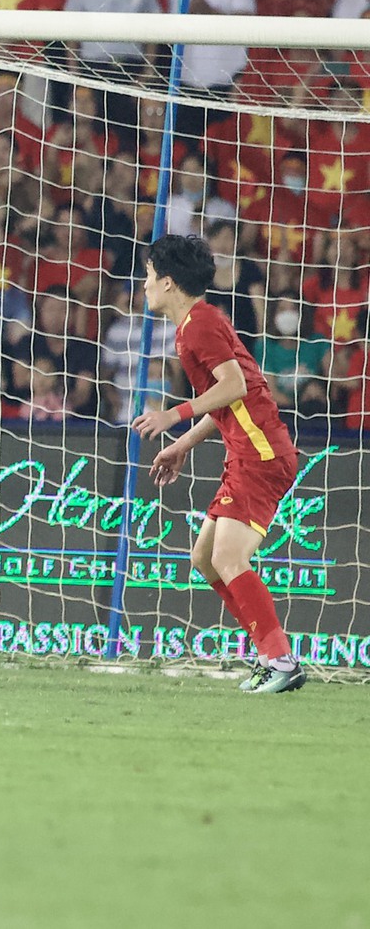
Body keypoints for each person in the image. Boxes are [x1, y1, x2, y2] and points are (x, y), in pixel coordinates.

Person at [132, 234, 305, 694]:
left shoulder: (199, 325)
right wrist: (183, 444)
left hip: (260, 452)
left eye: (148, 276)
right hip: (247, 450)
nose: (144, 284)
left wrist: (173, 415)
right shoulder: (196, 322)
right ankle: (273, 658)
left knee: (227, 556)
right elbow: (228, 396)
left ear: (168, 282)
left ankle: (280, 660)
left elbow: (235, 387)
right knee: (205, 559)